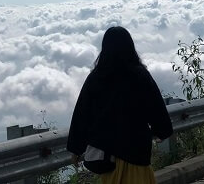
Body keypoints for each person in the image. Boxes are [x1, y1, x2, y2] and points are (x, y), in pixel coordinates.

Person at [68, 26, 173, 183]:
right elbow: (155, 107)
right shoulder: (140, 75)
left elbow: (82, 114)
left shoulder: (96, 78)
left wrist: (76, 148)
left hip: (107, 156)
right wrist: (162, 131)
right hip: (136, 150)